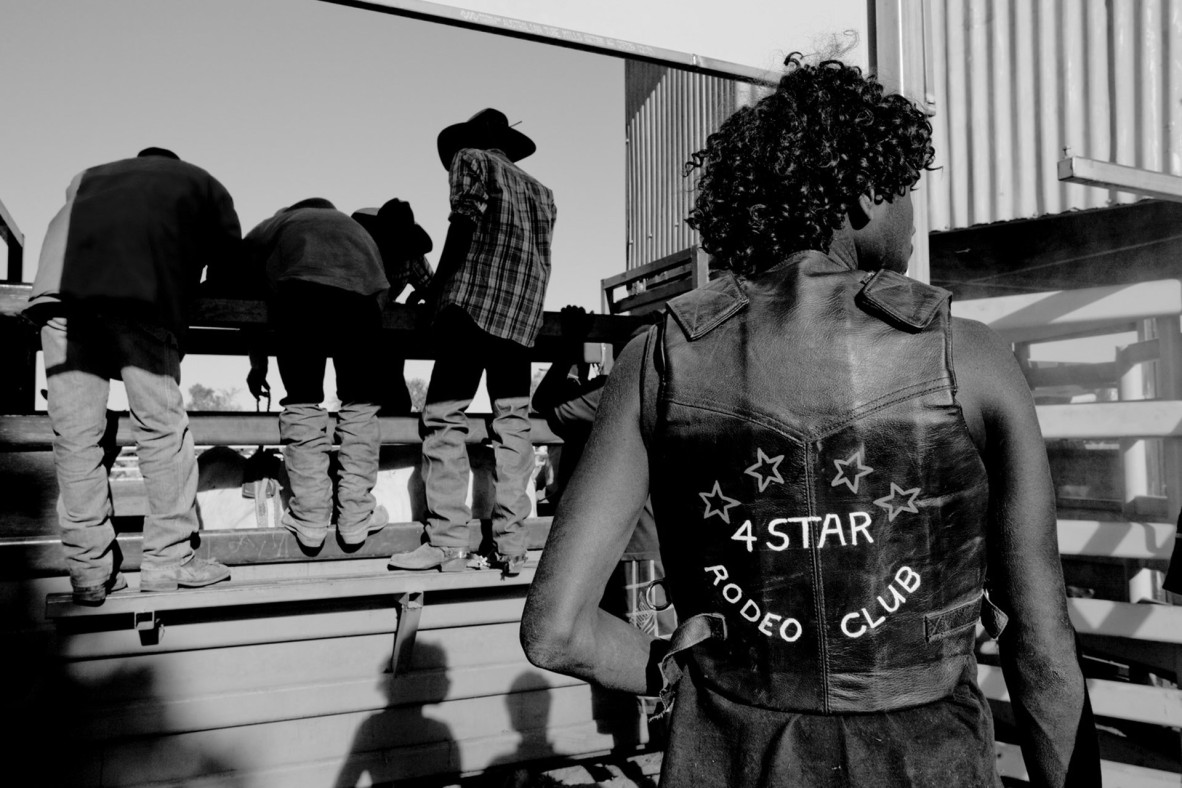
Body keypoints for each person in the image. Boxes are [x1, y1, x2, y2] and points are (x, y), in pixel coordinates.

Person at [521, 57, 1099, 787]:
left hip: (724, 757)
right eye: (905, 191)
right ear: (863, 193)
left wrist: (686, 670)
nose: (913, 220)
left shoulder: (658, 358)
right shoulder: (968, 356)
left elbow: (555, 632)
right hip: (924, 763)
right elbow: (1042, 645)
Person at [26, 147, 240, 604]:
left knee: (76, 434)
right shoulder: (198, 180)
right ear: (172, 162)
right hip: (137, 290)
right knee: (160, 426)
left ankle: (89, 573)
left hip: (59, 293)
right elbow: (230, 260)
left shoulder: (89, 174)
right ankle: (169, 561)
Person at [389, 108, 556, 575]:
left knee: (444, 415)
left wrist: (439, 290)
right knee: (513, 423)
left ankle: (445, 543)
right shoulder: (543, 193)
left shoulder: (471, 159)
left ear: (478, 136)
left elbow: (462, 223)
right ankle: (511, 544)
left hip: (473, 306)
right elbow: (542, 260)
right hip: (521, 316)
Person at [243, 198, 390, 549]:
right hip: (362, 302)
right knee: (359, 404)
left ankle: (309, 519)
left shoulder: (276, 224)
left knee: (303, 400)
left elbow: (235, 279)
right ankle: (356, 518)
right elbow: (382, 291)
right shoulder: (355, 230)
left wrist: (257, 362)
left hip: (300, 296)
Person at [532, 305, 674, 637]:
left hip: (636, 545)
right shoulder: (678, 384)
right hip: (662, 540)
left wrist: (571, 344)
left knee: (649, 646)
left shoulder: (634, 385)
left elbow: (552, 406)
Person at [352, 198, 434, 415]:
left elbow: (434, 290)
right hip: (356, 328)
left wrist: (423, 297)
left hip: (387, 336)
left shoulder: (412, 256)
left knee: (393, 389)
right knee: (361, 388)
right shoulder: (359, 252)